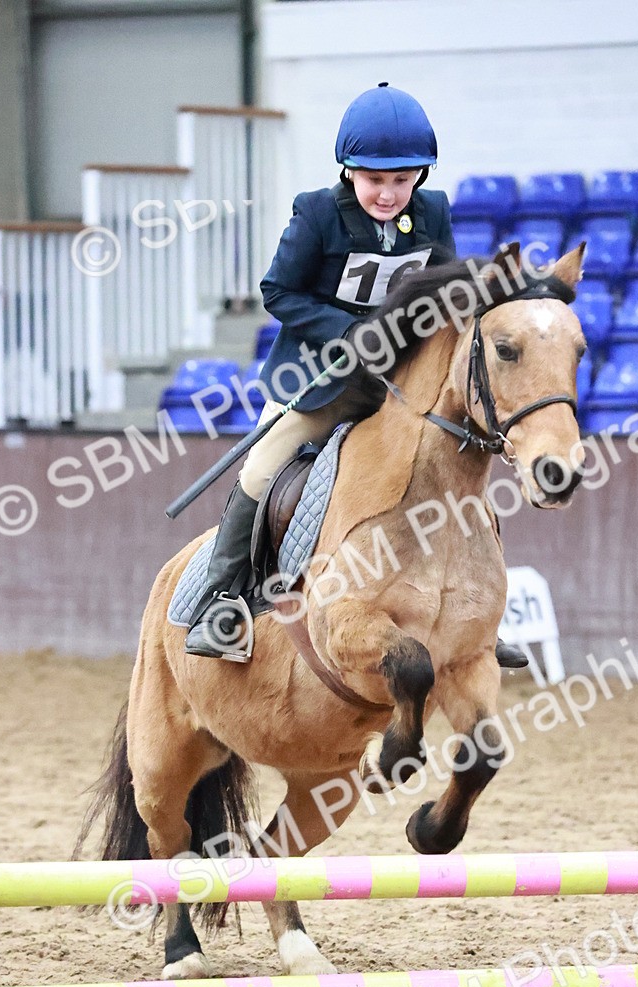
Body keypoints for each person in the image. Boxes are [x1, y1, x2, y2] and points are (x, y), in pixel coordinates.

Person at [184, 82, 528, 672]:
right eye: (375, 180)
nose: (389, 194)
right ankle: (224, 601)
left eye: (402, 180)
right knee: (264, 467)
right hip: (324, 377)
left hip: (401, 387)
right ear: (348, 171)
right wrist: (347, 333)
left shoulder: (434, 212)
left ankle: (478, 616)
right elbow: (278, 291)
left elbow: (445, 293)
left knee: (457, 467)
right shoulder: (317, 213)